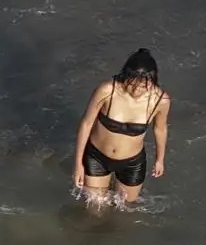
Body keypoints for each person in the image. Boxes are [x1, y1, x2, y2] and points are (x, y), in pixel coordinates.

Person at [71, 47, 171, 207]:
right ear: (126, 76)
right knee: (95, 210)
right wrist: (78, 164)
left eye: (143, 87)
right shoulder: (107, 91)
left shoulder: (160, 101)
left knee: (125, 210)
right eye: (132, 84)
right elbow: (86, 123)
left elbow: (160, 129)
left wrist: (160, 160)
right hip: (97, 157)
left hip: (132, 163)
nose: (137, 90)